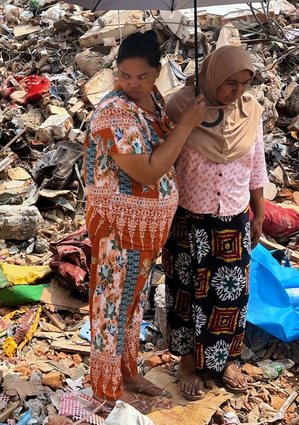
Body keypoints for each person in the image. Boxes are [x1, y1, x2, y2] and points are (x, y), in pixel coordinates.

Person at [84, 31, 207, 408]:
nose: (131, 84)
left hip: (146, 230)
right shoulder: (115, 111)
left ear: (157, 74)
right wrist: (187, 123)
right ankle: (106, 392)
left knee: (132, 304)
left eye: (141, 76)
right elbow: (149, 172)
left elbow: (159, 139)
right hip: (118, 228)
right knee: (110, 304)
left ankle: (129, 373)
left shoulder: (152, 101)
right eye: (124, 75)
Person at [163, 45, 269, 400]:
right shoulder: (180, 107)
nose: (236, 91)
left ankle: (225, 360)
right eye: (228, 83)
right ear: (211, 77)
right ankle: (190, 362)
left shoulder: (250, 112)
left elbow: (257, 166)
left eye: (244, 83)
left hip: (234, 220)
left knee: (230, 295)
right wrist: (190, 121)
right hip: (189, 220)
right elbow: (164, 160)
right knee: (187, 293)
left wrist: (259, 213)